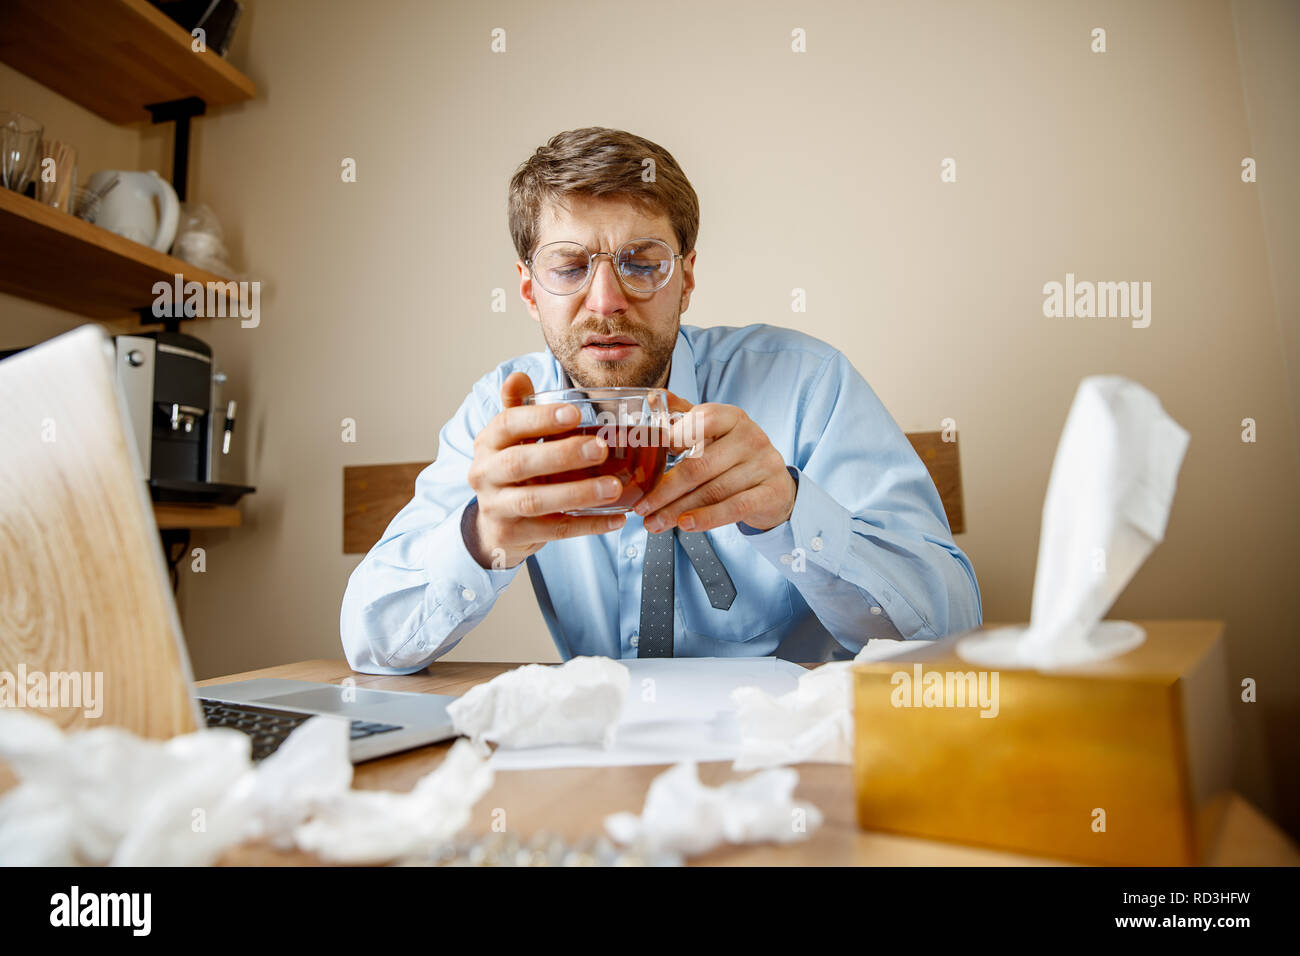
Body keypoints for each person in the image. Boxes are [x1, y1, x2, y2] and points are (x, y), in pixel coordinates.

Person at [341, 127, 982, 673]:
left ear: (687, 278)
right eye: (568, 267)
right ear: (531, 290)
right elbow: (370, 642)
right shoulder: (502, 414)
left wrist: (791, 510)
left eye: (642, 261)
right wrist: (479, 538)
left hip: (787, 761)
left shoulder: (808, 384)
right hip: (599, 765)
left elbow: (951, 626)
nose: (606, 300)